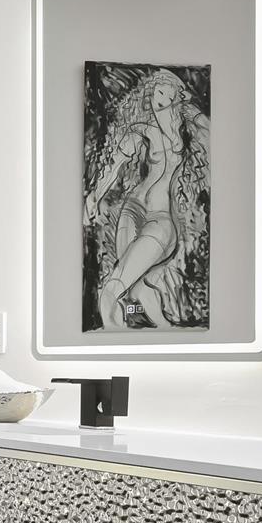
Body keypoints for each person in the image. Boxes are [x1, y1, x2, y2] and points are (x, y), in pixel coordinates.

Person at [83, 67, 208, 330]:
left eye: (166, 92)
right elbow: (113, 167)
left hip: (161, 221)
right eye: (157, 91)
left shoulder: (183, 133)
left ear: (177, 96)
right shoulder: (141, 130)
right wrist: (94, 196)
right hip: (132, 210)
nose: (159, 97)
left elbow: (208, 129)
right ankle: (164, 330)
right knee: (135, 290)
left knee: (111, 290)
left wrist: (188, 107)